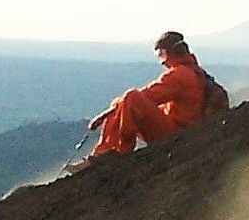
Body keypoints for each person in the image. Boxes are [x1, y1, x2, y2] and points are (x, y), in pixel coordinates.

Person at [74, 30, 210, 162]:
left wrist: (103, 116)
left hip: (177, 134)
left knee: (131, 97)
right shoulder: (194, 71)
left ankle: (117, 151)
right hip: (184, 131)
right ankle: (101, 153)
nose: (162, 62)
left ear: (170, 52)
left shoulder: (179, 74)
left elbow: (144, 96)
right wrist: (115, 108)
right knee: (119, 102)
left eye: (161, 55)